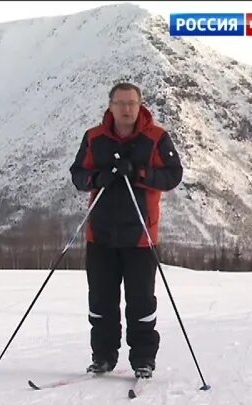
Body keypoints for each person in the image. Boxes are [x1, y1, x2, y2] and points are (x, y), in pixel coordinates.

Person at [69, 82, 183, 379]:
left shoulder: (157, 138)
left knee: (141, 303)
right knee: (101, 302)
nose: (126, 109)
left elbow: (173, 176)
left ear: (140, 104)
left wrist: (140, 173)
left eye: (132, 102)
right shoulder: (94, 138)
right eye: (120, 103)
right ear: (110, 105)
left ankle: (143, 359)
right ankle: (103, 357)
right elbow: (78, 175)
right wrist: (99, 178)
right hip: (101, 235)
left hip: (141, 236)